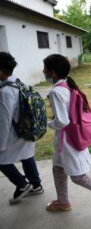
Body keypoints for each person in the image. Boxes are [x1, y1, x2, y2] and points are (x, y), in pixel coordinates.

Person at [43, 54, 91, 215]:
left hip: (67, 141)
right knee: (58, 169)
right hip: (70, 138)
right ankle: (63, 202)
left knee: (78, 177)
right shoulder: (67, 86)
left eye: (46, 69)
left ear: (54, 73)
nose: (43, 71)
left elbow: (62, 121)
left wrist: (47, 123)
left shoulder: (56, 91)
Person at [0, 52, 43, 204]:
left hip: (15, 132)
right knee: (26, 154)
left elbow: (4, 121)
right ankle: (36, 185)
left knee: (1, 160)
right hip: (27, 129)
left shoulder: (5, 92)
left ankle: (22, 184)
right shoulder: (18, 82)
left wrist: (1, 144)